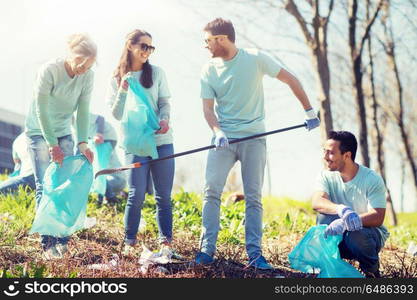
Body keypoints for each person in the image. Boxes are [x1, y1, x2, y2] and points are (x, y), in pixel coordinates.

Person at [196, 18, 320, 269]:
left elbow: (290, 79)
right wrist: (217, 131)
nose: (205, 46)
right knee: (211, 192)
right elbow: (208, 110)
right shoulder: (208, 70)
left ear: (222, 39)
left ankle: (255, 255)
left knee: (253, 197)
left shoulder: (255, 59)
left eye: (207, 40)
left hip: (254, 139)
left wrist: (309, 112)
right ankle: (206, 250)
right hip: (224, 141)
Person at [25, 33, 96, 259]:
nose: (83, 67)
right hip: (39, 133)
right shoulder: (49, 70)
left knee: (66, 185)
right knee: (45, 184)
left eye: (89, 63)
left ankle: (62, 239)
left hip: (65, 132)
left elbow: (83, 111)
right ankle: (47, 243)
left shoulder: (88, 76)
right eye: (80, 61)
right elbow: (41, 109)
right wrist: (51, 143)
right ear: (69, 53)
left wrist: (83, 143)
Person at [108, 29, 175, 256]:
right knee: (136, 194)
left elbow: (164, 103)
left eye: (151, 47)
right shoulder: (116, 78)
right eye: (143, 46)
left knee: (163, 196)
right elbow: (116, 114)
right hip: (135, 145)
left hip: (161, 140)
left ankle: (166, 243)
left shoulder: (156, 73)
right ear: (130, 46)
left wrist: (164, 119)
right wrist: (123, 90)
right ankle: (129, 242)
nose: (147, 51)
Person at [312, 130, 389, 278]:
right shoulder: (325, 175)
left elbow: (378, 217)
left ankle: (371, 271)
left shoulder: (371, 179)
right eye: (324, 152)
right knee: (322, 218)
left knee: (356, 233)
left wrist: (349, 221)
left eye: (330, 153)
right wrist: (341, 209)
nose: (325, 157)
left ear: (347, 155)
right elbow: (317, 201)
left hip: (366, 238)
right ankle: (331, 269)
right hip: (337, 236)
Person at [87, 113, 126, 205]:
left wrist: (99, 134)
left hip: (105, 138)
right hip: (105, 139)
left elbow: (100, 118)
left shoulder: (77, 114)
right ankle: (107, 197)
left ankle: (109, 198)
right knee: (98, 170)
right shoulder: (72, 125)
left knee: (99, 171)